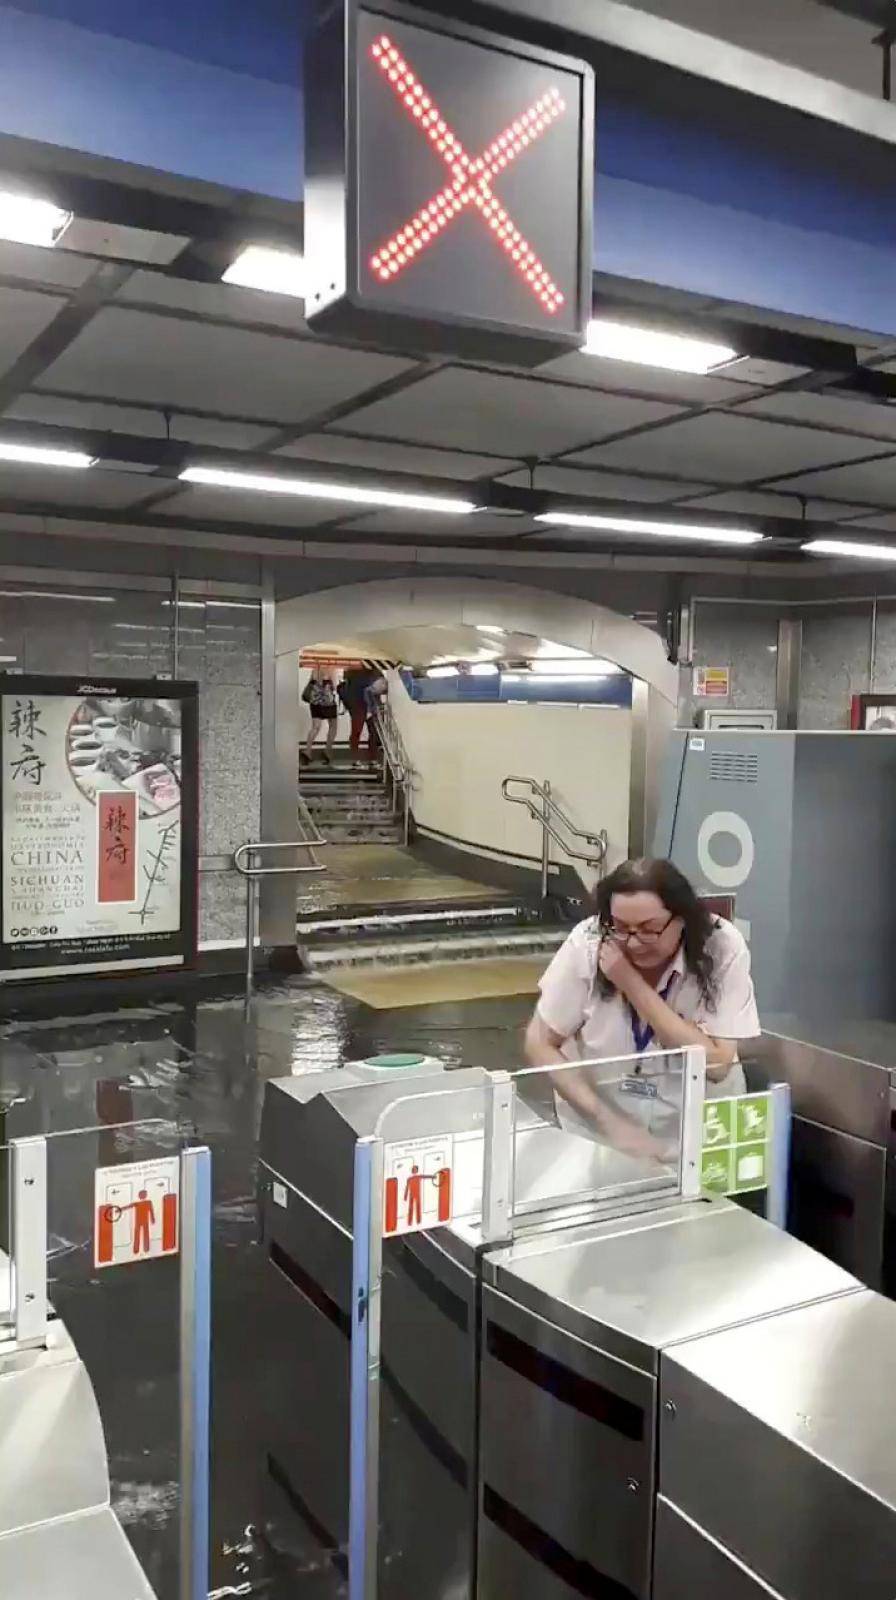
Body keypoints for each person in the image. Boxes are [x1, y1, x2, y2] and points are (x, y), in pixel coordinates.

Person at [524, 857, 760, 1156]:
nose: (633, 943)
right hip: (604, 1131)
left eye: (650, 929)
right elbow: (540, 1043)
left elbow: (716, 1064)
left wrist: (630, 982)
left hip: (697, 1132)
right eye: (621, 927)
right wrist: (608, 1122)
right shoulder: (588, 942)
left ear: (682, 918)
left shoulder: (721, 946)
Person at [339, 666, 377, 759]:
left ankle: (357, 759)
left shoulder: (351, 667)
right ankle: (370, 758)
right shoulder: (371, 668)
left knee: (358, 732)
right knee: (371, 732)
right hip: (364, 703)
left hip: (358, 703)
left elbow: (346, 681)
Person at [301, 671, 339, 765]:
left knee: (315, 727)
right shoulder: (331, 668)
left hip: (315, 702)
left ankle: (308, 751)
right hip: (328, 702)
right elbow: (334, 687)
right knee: (333, 726)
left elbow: (311, 682)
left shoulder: (315, 668)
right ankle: (327, 750)